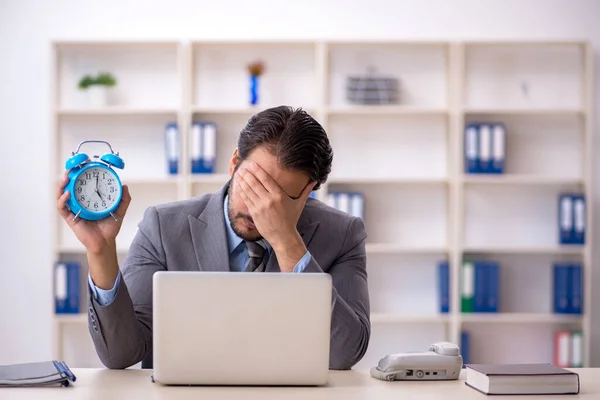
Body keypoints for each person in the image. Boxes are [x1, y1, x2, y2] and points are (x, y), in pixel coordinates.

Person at [56, 105, 370, 370]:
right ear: (234, 163)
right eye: (253, 185)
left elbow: (343, 354)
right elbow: (121, 355)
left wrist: (287, 242)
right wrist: (100, 251)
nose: (257, 208)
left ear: (308, 191)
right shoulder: (163, 227)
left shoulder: (342, 235)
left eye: (280, 198)